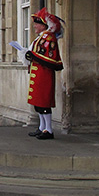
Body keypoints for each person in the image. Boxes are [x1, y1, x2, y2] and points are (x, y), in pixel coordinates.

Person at [25, 7, 64, 140]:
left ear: (43, 25)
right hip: (38, 73)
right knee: (38, 103)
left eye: (37, 24)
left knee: (44, 103)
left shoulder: (48, 37)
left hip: (44, 74)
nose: (35, 26)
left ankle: (49, 129)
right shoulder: (41, 37)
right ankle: (42, 127)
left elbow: (48, 57)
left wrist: (31, 55)